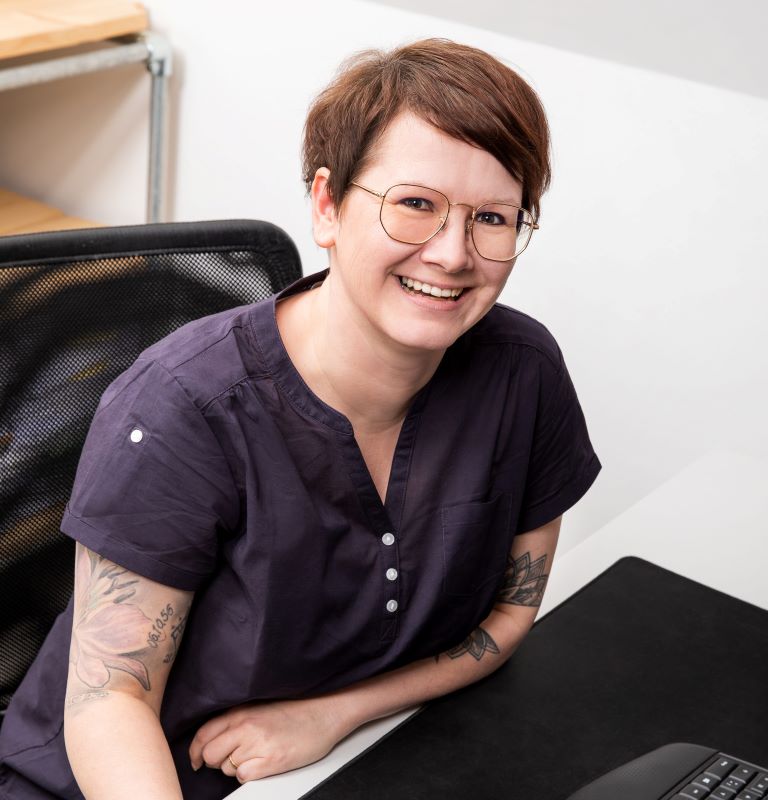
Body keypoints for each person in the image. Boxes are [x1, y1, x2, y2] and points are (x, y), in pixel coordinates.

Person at [0, 38, 601, 800]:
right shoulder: (184, 408)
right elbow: (107, 704)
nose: (453, 254)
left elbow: (510, 616)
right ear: (327, 205)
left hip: (343, 761)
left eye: (492, 217)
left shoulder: (523, 373)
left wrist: (333, 715)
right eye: (415, 204)